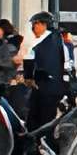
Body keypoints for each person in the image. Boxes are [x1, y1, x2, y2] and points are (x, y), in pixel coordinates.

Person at [23, 11, 68, 141]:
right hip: (55, 88)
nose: (33, 29)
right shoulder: (59, 39)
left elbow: (29, 58)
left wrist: (28, 78)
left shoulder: (42, 40)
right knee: (48, 122)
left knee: (38, 122)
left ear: (43, 24)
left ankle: (37, 150)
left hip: (44, 88)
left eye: (35, 25)